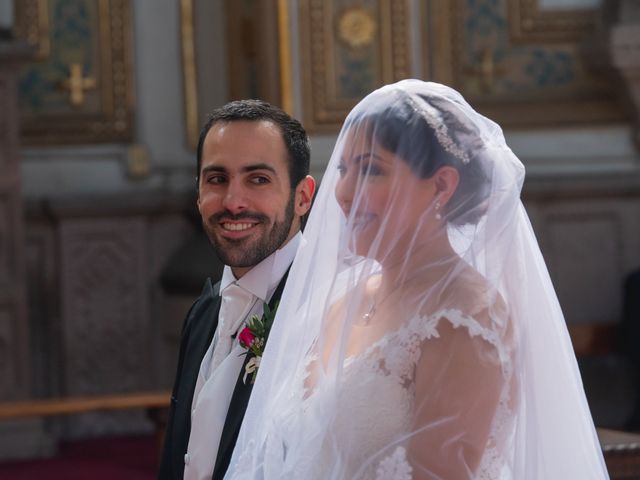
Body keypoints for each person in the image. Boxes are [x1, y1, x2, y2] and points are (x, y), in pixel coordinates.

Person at [224, 80, 609, 479]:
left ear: (441, 185)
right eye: (344, 169)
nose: (344, 192)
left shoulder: (465, 317)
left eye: (371, 170)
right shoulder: (346, 296)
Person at [158, 99, 315, 480]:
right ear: (198, 193)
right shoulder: (203, 312)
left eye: (258, 179)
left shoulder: (326, 313)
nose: (233, 201)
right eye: (216, 179)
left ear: (303, 197)